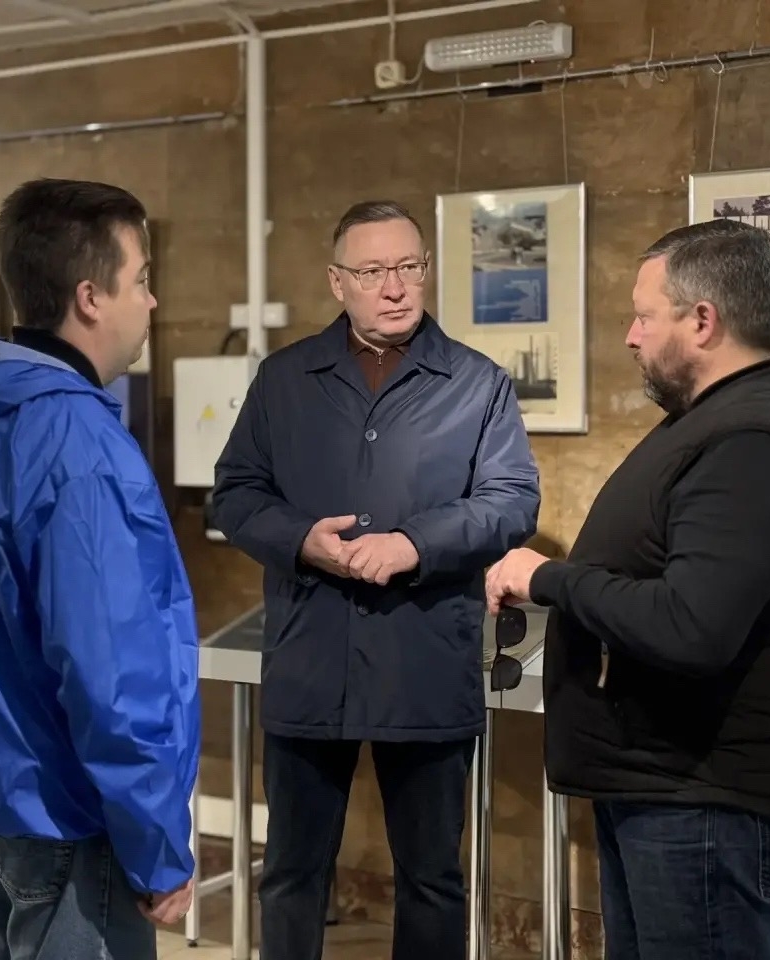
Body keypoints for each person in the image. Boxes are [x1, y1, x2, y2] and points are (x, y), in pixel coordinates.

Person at [485, 218, 770, 960]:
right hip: (665, 790)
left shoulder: (755, 443)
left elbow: (692, 626)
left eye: (644, 316)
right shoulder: (721, 417)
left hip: (709, 803)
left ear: (703, 321)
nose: (631, 336)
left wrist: (548, 577)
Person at [211, 200, 541, 960]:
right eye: (371, 272)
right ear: (338, 282)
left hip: (423, 658)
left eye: (408, 267)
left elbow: (512, 500)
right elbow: (236, 494)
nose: (394, 287)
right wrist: (303, 541)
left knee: (432, 878)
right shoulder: (285, 379)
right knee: (291, 873)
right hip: (310, 656)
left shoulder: (478, 382)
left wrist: (412, 544)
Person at [0, 178, 200, 960]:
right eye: (142, 279)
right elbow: (108, 668)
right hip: (70, 819)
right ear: (91, 297)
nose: (152, 301)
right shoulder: (74, 442)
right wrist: (157, 843)